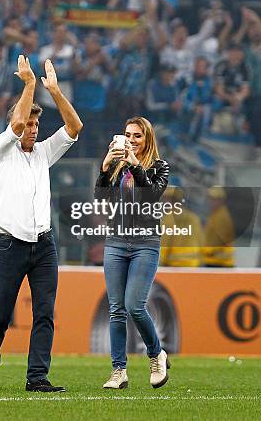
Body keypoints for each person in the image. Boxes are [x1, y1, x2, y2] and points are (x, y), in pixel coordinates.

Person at [0, 56, 83, 393]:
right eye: (29, 124)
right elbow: (15, 126)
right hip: (9, 245)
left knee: (45, 314)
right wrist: (30, 85)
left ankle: (37, 378)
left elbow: (75, 128)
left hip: (44, 245)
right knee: (0, 317)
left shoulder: (44, 153)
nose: (32, 130)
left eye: (35, 126)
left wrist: (56, 92)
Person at [95, 117, 170, 390]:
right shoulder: (116, 166)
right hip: (115, 242)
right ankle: (119, 371)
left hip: (145, 244)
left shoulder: (159, 167)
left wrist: (135, 165)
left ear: (147, 139)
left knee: (134, 306)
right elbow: (101, 200)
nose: (131, 140)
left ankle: (156, 353)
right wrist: (105, 168)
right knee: (116, 309)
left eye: (137, 136)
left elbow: (150, 195)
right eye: (128, 135)